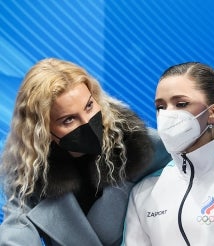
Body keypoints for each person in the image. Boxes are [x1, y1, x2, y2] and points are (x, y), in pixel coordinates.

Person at [0, 58, 170, 245]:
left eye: (89, 106)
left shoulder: (134, 143)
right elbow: (16, 228)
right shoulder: (29, 176)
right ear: (43, 131)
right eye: (68, 120)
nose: (87, 122)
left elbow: (196, 166)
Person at [123, 62, 214, 245]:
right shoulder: (144, 190)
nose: (167, 115)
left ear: (213, 113)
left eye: (181, 104)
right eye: (160, 107)